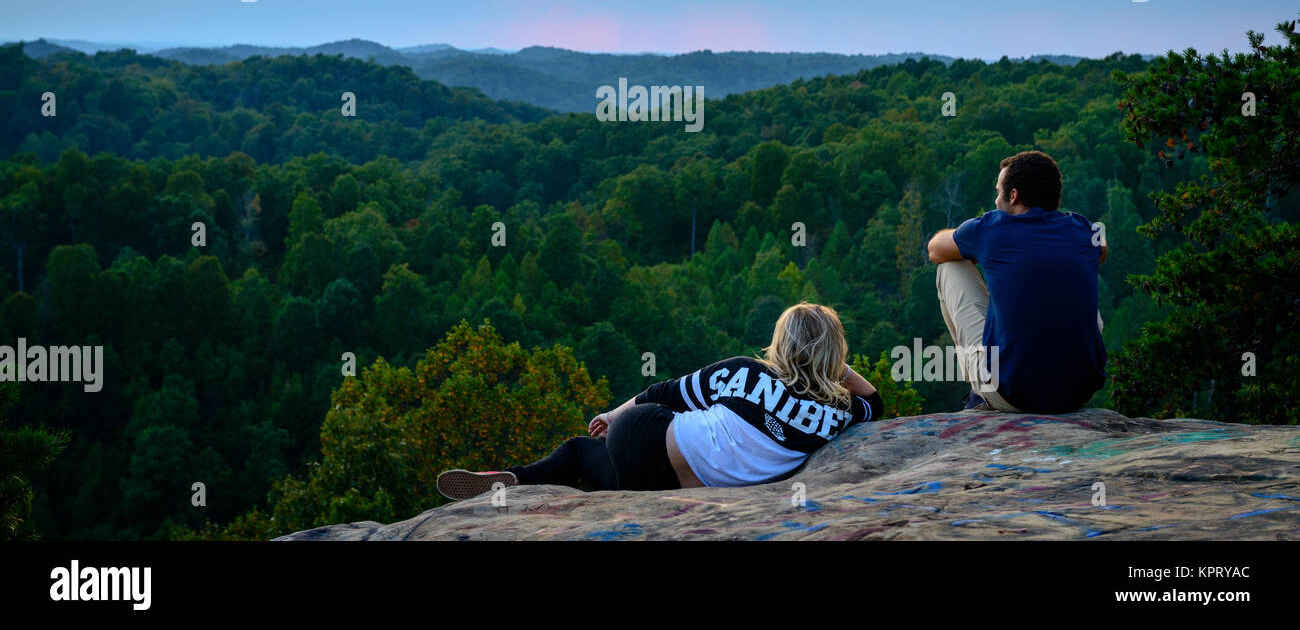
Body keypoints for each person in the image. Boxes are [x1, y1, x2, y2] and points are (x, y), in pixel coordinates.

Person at [436, 302, 883, 500]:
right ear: (835, 353)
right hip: (671, 483)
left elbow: (662, 391)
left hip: (645, 443)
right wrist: (832, 368)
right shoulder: (837, 414)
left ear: (778, 345)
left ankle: (504, 479)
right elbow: (874, 402)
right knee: (589, 460)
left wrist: (613, 415)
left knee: (578, 450)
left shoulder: (747, 370)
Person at [926, 150, 1107, 413]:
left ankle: (980, 391)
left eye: (999, 192)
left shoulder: (990, 228)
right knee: (1069, 291)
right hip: (1079, 393)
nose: (995, 199)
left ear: (1013, 196)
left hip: (1015, 396)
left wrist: (980, 249)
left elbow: (935, 250)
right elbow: (1102, 249)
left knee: (950, 268)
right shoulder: (1082, 229)